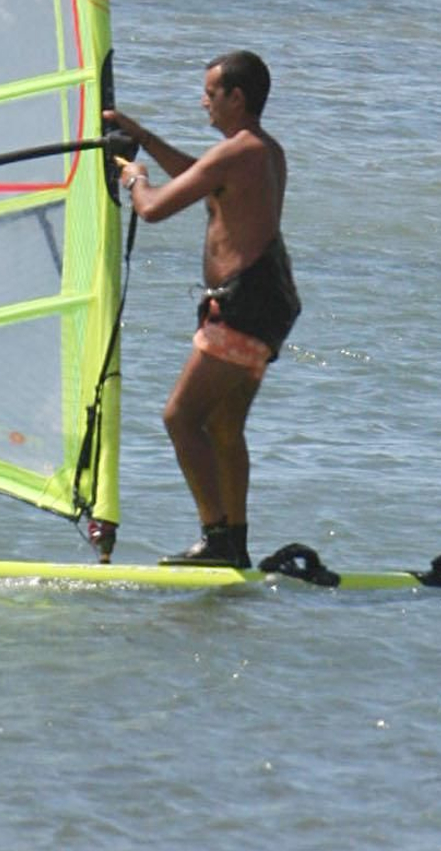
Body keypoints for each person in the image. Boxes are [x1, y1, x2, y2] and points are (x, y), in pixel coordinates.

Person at [106, 51, 300, 566]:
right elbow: (200, 175)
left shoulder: (238, 153)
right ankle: (234, 543)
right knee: (223, 427)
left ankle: (216, 538)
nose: (203, 102)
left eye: (210, 93)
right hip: (269, 305)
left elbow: (153, 209)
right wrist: (141, 136)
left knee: (180, 418)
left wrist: (133, 178)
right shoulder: (262, 151)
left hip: (240, 307)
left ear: (237, 98)